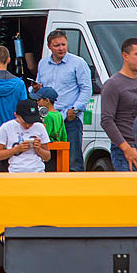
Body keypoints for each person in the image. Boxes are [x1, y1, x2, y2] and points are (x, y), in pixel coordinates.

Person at [35, 30, 92, 171]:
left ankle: (74, 184)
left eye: (63, 44)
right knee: (49, 159)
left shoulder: (78, 63)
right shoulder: (43, 63)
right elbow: (39, 88)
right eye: (56, 45)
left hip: (69, 117)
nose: (61, 48)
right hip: (49, 118)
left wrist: (75, 110)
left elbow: (86, 89)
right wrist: (36, 89)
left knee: (73, 160)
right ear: (49, 46)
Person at [101, 38, 137, 171]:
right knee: (129, 185)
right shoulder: (113, 84)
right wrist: (126, 148)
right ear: (125, 56)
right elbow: (106, 120)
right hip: (125, 149)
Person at [0, 99, 52, 174]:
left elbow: (47, 157)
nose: (28, 125)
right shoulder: (6, 127)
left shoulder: (40, 127)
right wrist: (16, 149)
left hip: (38, 171)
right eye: (25, 122)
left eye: (31, 122)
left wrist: (39, 149)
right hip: (16, 172)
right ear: (16, 115)